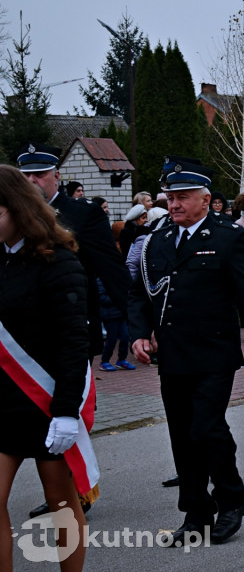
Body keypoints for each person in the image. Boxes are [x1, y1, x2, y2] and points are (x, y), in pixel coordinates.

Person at [128, 158, 244, 545]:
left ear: (205, 199)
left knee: (206, 427)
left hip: (215, 351)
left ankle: (230, 501)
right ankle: (196, 512)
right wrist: (139, 333)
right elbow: (141, 292)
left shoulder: (228, 237)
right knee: (181, 433)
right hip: (174, 354)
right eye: (170, 197)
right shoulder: (158, 240)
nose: (174, 204)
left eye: (182, 197)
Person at [20, 143, 130, 518]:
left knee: (70, 405)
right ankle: (61, 489)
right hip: (25, 335)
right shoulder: (12, 216)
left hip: (72, 326)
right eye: (27, 176)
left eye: (40, 174)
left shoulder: (81, 214)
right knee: (38, 407)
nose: (34, 182)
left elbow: (109, 267)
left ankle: (77, 490)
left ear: (57, 176)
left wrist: (138, 320)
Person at [0, 165, 93, 572]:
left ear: (17, 209)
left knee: (61, 505)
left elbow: (75, 343)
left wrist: (67, 412)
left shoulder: (58, 261)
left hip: (47, 402)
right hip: (4, 401)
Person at [97, 278, 135, 371]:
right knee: (112, 339)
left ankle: (122, 360)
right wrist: (118, 298)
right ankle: (104, 361)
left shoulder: (117, 277)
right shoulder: (101, 280)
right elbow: (101, 297)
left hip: (120, 314)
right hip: (109, 315)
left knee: (125, 337)